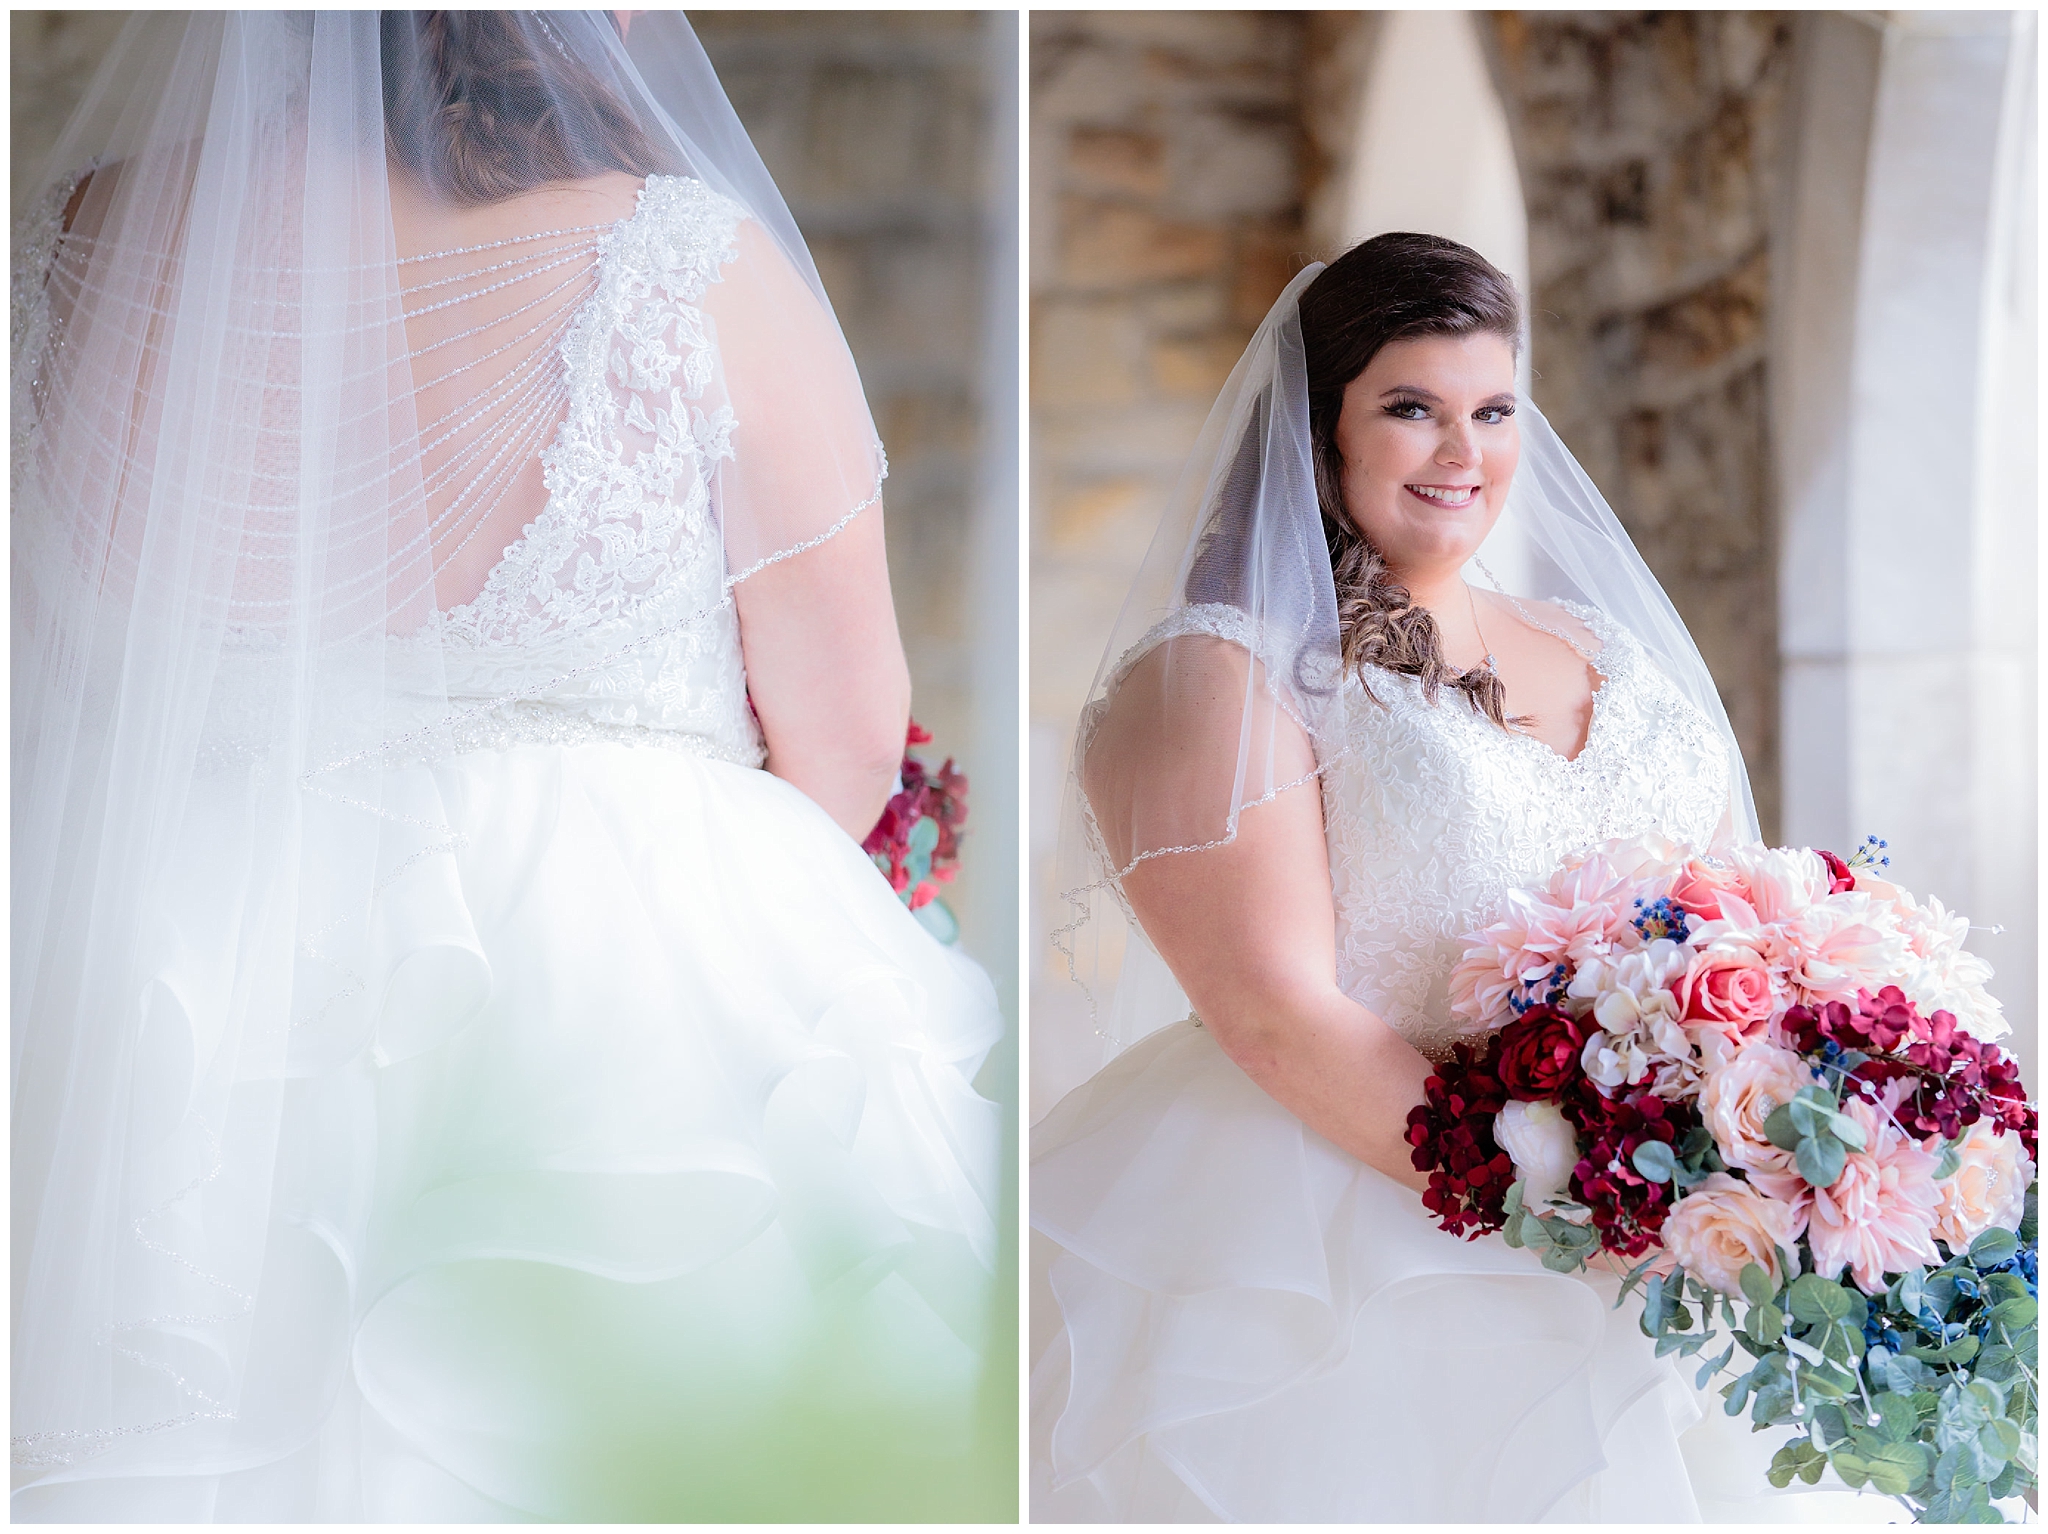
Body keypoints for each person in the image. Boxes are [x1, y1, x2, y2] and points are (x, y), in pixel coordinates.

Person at [12, 12, 1001, 1521]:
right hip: (621, 1019)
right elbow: (852, 734)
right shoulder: (684, 261)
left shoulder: (67, 239)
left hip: (160, 1000)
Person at [1031, 234, 1889, 1521]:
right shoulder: (1219, 671)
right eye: (1409, 409)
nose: (1460, 452)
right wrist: (1570, 1207)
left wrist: (1756, 1150)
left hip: (1655, 1235)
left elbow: (1733, 918)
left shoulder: (1600, 648)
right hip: (1338, 1227)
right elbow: (1272, 1010)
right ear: (1317, 429)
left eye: (1490, 410)